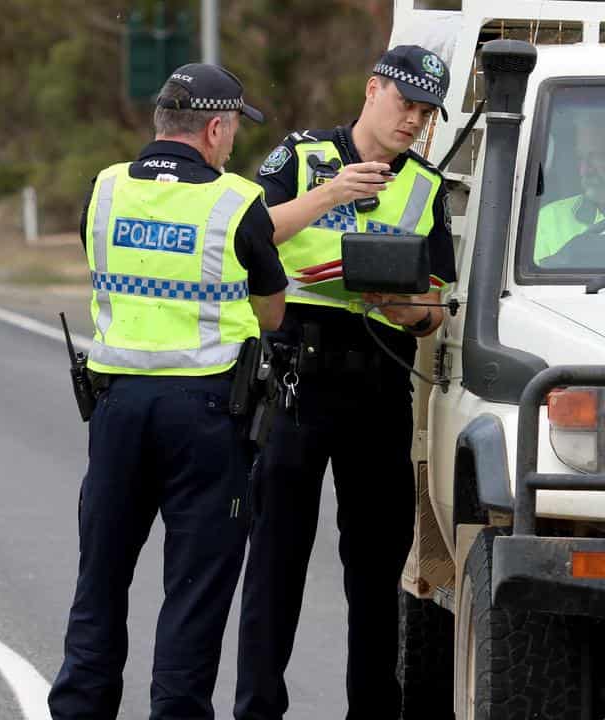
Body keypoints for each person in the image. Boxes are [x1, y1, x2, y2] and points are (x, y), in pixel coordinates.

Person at [49, 63, 287, 720]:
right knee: (195, 592)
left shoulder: (104, 190)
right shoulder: (237, 204)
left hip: (117, 406)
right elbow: (271, 314)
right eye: (234, 128)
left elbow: (102, 271)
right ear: (215, 127)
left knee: (99, 581)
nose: (233, 142)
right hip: (207, 416)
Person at [233, 45, 459, 720]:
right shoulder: (301, 158)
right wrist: (333, 194)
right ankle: (257, 710)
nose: (413, 121)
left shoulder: (425, 186)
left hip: (378, 387)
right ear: (372, 90)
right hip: (296, 383)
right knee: (275, 565)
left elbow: (436, 309)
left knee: (374, 574)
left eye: (425, 112)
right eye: (405, 103)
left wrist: (400, 304)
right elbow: (253, 235)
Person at [535, 114, 605, 264]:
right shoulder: (548, 220)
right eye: (580, 158)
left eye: (596, 157)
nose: (585, 170)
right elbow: (533, 286)